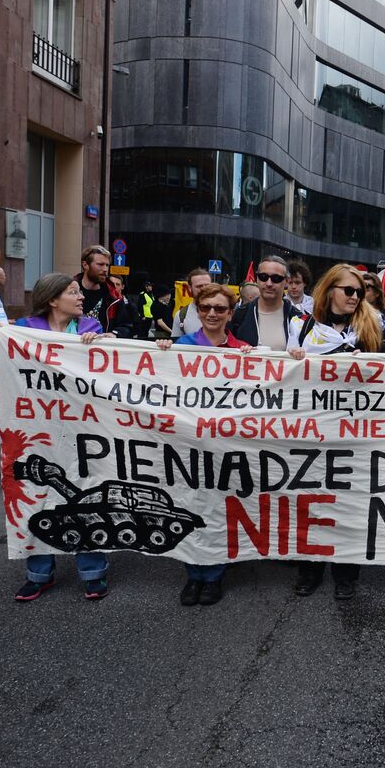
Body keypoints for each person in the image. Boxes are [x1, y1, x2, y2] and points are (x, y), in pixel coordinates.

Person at [12, 273, 114, 602]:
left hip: (83, 427)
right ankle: (39, 573)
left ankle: (92, 571)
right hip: (37, 429)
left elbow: (106, 370)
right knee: (37, 496)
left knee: (86, 496)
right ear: (53, 299)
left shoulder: (89, 330)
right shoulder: (24, 329)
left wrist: (105, 346)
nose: (81, 296)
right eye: (73, 292)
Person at [285, 264, 382, 600]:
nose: (356, 297)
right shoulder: (301, 326)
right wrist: (292, 358)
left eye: (360, 292)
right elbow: (285, 377)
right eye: (349, 291)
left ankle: (346, 573)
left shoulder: (369, 327)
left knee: (349, 504)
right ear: (329, 291)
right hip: (312, 430)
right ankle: (309, 569)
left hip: (355, 432)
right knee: (311, 502)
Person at [156, 283, 252, 606]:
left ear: (230, 313)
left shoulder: (244, 350)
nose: (212, 313)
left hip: (225, 447)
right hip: (187, 445)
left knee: (218, 509)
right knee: (189, 506)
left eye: (220, 308)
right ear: (197, 311)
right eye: (206, 307)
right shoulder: (180, 346)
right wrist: (160, 351)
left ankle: (213, 575)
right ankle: (193, 573)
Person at [229, 256, 302, 350]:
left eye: (276, 278)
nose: (269, 283)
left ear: (287, 282)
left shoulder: (297, 318)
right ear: (257, 279)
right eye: (263, 277)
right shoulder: (240, 315)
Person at [76, 245, 123, 335]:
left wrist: (114, 334)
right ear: (85, 265)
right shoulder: (67, 292)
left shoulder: (114, 296)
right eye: (100, 265)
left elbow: (125, 326)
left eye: (107, 265)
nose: (105, 269)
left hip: (100, 348)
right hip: (71, 346)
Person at [171, 268, 213, 339]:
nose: (204, 289)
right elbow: (176, 345)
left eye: (207, 285)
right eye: (199, 286)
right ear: (189, 288)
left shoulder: (223, 312)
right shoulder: (181, 316)